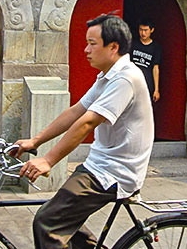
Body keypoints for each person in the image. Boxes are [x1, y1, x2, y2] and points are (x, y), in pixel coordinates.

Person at [14, 13, 154, 249]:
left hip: (115, 172)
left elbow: (87, 122)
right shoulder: (107, 77)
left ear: (113, 47)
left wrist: (48, 160)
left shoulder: (126, 78)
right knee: (66, 224)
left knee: (47, 222)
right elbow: (76, 112)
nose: (86, 50)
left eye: (92, 43)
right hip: (100, 165)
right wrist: (35, 141)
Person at [130, 20, 162, 102]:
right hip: (131, 82)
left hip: (147, 84)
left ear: (151, 30)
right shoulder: (133, 44)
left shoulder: (156, 47)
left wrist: (156, 90)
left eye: (145, 30)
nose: (143, 33)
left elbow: (155, 68)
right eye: (141, 30)